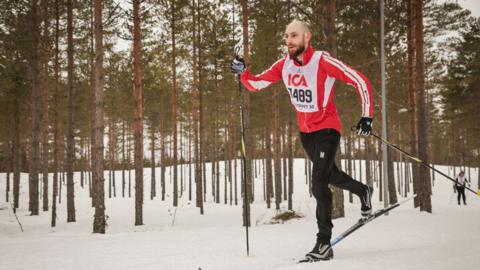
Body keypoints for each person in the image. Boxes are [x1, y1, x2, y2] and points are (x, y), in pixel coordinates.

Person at [231, 19, 374, 261]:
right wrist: (242, 72)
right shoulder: (283, 65)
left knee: (318, 184)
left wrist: (367, 116)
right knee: (329, 175)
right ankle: (363, 191)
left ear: (307, 38)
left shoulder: (322, 61)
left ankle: (323, 243)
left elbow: (360, 80)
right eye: (286, 36)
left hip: (327, 129)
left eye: (294, 36)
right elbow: (256, 84)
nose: (289, 41)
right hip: (306, 132)